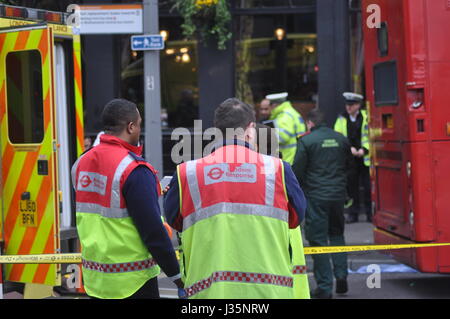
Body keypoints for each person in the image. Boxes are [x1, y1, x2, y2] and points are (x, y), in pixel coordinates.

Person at [164, 98, 308, 299]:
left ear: (217, 129)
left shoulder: (186, 173)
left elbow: (175, 221)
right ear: (250, 129)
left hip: (208, 293)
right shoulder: (278, 170)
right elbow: (295, 218)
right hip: (267, 292)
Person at [71, 98, 183, 299]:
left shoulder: (81, 163)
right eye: (139, 125)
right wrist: (176, 276)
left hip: (96, 282)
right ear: (131, 127)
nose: (139, 130)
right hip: (134, 283)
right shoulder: (135, 169)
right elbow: (153, 233)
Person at [292, 108, 351, 299]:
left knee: (318, 240)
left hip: (316, 197)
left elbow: (298, 172)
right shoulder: (341, 139)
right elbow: (350, 167)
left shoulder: (306, 141)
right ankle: (341, 276)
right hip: (337, 196)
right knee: (337, 235)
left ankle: (325, 287)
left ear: (310, 123)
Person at [254, 122, 310, 299]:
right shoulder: (280, 168)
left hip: (276, 245)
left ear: (258, 145)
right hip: (282, 244)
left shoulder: (275, 170)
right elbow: (299, 209)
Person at [334, 92, 371, 223]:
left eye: (352, 105)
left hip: (365, 158)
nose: (348, 107)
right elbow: (338, 137)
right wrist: (349, 148)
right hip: (349, 160)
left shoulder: (366, 117)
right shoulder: (341, 119)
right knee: (352, 188)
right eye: (347, 105)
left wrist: (364, 149)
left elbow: (371, 136)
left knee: (368, 188)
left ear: (358, 105)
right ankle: (353, 214)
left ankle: (369, 214)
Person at [266, 92, 306, 164]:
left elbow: (283, 138)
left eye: (269, 105)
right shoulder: (292, 112)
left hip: (287, 157)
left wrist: (265, 137)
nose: (269, 107)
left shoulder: (284, 117)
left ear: (275, 104)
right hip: (295, 155)